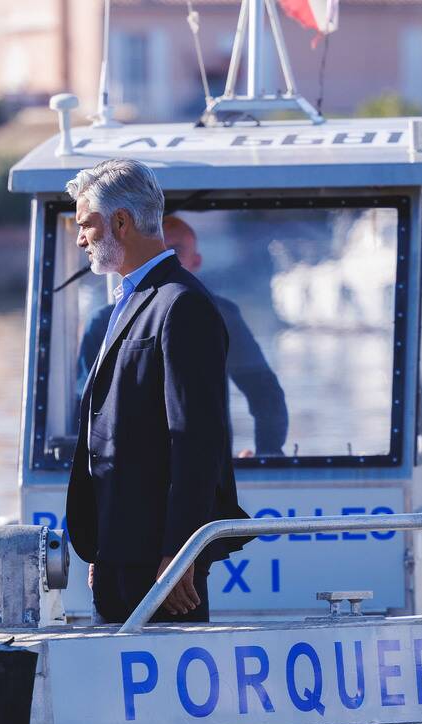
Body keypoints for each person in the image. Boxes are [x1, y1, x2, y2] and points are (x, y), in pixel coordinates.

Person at [64, 159, 245, 625]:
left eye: (87, 224)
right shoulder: (132, 301)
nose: (80, 238)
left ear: (120, 222)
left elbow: (196, 440)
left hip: (160, 564)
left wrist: (178, 554)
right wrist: (103, 546)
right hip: (122, 553)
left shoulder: (181, 304)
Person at [74, 215, 287, 456]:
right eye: (159, 252)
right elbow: (85, 408)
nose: (165, 260)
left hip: (207, 474)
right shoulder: (103, 325)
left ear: (196, 262)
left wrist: (267, 454)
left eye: (175, 251)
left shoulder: (222, 318)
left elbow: (264, 392)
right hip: (130, 477)